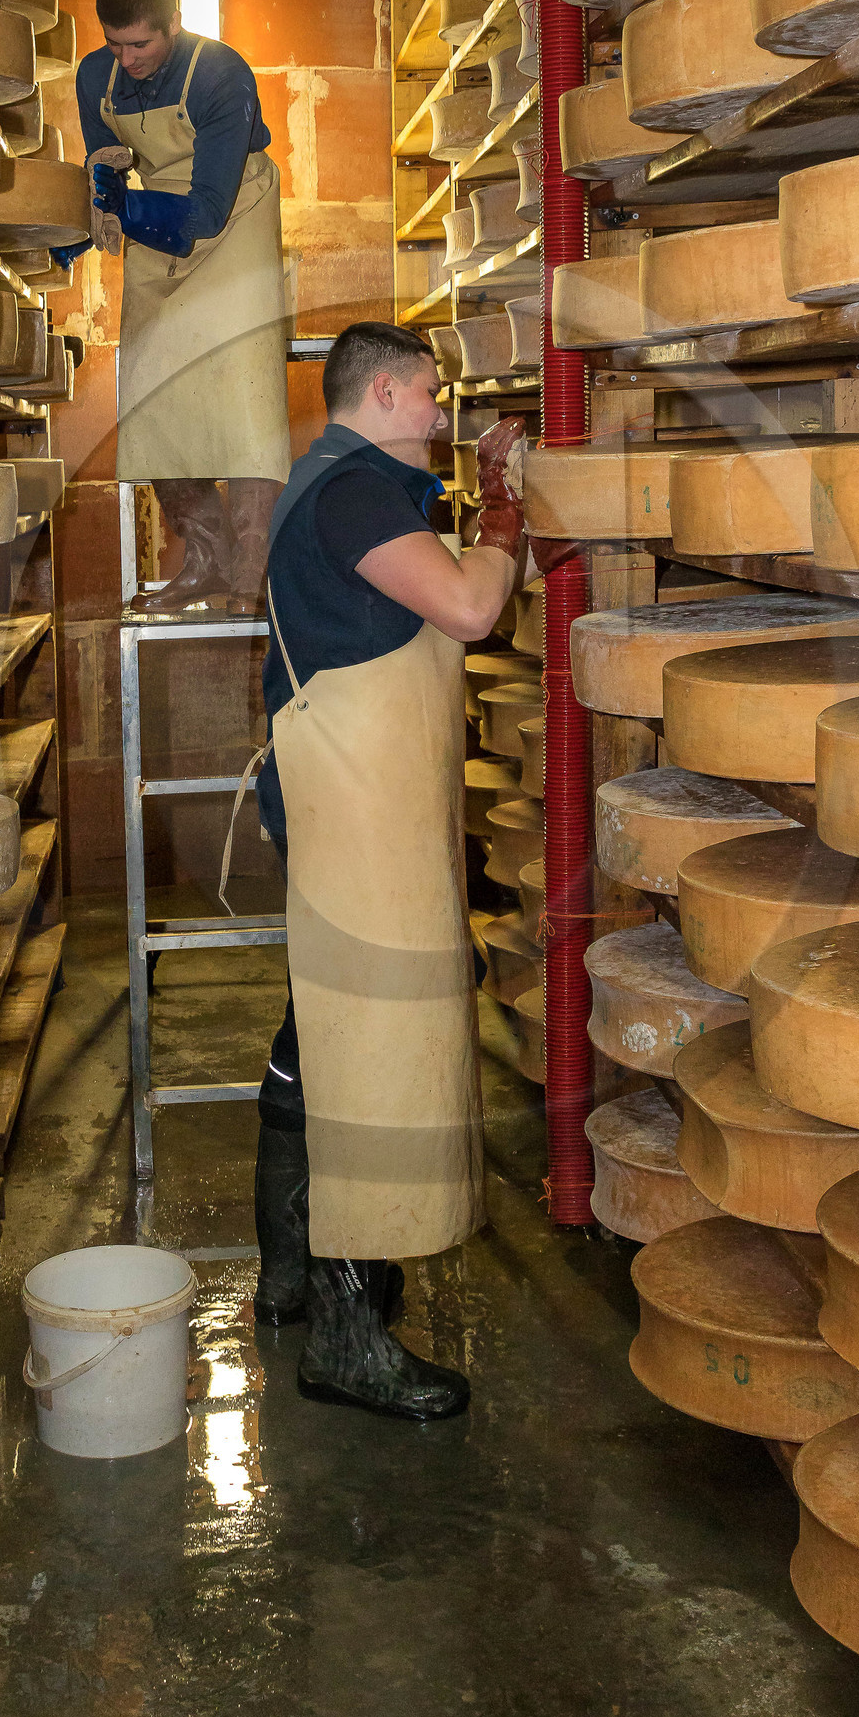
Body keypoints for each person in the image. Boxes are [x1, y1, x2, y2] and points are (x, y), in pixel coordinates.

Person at [242, 319, 569, 1422]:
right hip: (352, 811)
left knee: (317, 1031)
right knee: (369, 1043)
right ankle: (349, 1335)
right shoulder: (352, 493)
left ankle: (288, 1274)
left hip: (356, 801)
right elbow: (474, 607)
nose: (440, 406)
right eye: (430, 391)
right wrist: (507, 506)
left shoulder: (341, 482)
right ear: (383, 391)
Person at [75, 0, 289, 617]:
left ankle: (253, 568)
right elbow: (105, 167)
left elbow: (206, 215)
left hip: (231, 216)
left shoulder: (221, 74)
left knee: (245, 394)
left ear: (176, 22)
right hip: (155, 223)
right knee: (155, 392)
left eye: (140, 43)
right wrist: (89, 207)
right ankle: (205, 560)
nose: (126, 57)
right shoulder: (96, 76)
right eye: (114, 42)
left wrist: (126, 212)